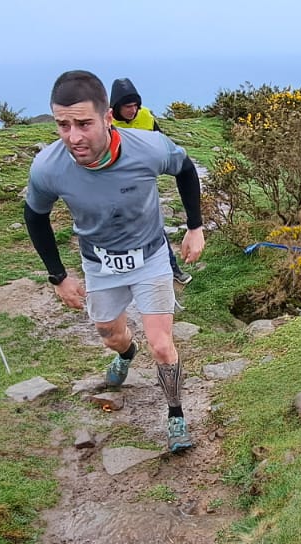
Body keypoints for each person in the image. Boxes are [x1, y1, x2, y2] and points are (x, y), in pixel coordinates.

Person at [25, 70, 206, 452]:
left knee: (161, 344)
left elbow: (186, 168)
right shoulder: (48, 167)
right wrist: (58, 276)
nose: (73, 136)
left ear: (107, 118)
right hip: (100, 263)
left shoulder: (149, 148)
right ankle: (126, 354)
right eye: (63, 125)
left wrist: (194, 227)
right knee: (111, 335)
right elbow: (35, 215)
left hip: (151, 256)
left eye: (84, 123)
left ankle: (176, 416)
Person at [110, 77, 191, 285]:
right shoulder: (106, 122)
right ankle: (120, 275)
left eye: (136, 105)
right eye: (128, 106)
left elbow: (161, 143)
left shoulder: (146, 116)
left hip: (144, 184)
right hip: (114, 187)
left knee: (155, 227)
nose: (133, 110)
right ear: (116, 107)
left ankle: (172, 269)